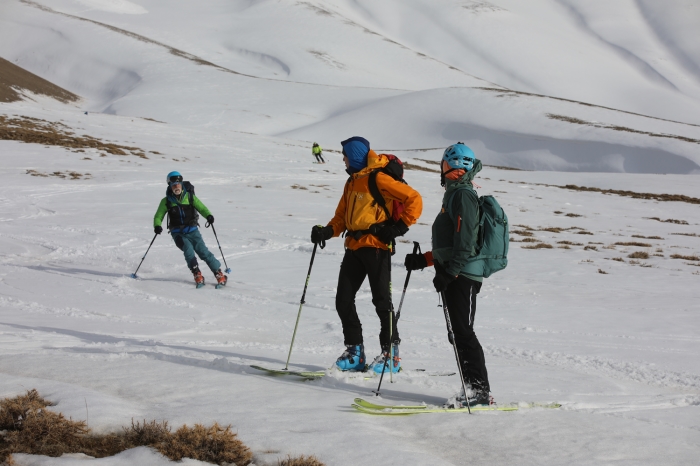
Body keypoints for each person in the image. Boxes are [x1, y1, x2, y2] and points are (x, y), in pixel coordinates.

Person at [310, 137, 423, 373]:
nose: (343, 159)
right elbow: (341, 217)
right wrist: (326, 231)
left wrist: (398, 228)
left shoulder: (378, 178)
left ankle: (391, 356)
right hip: (354, 247)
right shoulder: (351, 182)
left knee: (382, 302)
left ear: (355, 155)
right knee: (343, 300)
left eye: (345, 155)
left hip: (377, 247)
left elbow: (414, 199)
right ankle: (355, 353)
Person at [404, 143, 491, 407]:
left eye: (443, 163)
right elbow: (450, 244)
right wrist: (425, 260)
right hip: (456, 272)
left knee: (463, 331)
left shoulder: (463, 195)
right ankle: (472, 389)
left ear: (451, 165)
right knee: (458, 332)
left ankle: (479, 392)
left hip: (462, 274)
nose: (441, 169)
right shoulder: (455, 194)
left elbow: (465, 242)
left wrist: (450, 273)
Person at [153, 171, 227, 288]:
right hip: (177, 233)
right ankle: (197, 273)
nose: (176, 186)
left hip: (192, 230)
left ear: (181, 184)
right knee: (188, 250)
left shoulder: (190, 197)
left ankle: (218, 273)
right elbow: (158, 216)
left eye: (178, 184)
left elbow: (202, 208)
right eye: (173, 185)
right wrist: (157, 225)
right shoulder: (166, 201)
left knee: (203, 251)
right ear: (170, 186)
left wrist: (208, 215)